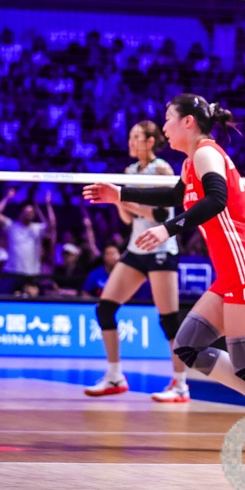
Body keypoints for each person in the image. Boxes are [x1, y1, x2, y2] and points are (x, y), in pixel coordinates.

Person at [84, 95, 245, 446]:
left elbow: (216, 199)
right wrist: (120, 193)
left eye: (168, 118)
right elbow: (176, 197)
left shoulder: (207, 153)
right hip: (232, 273)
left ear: (188, 122)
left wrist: (168, 229)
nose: (164, 127)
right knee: (188, 346)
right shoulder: (191, 162)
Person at [85, 121, 189, 400]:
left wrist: (121, 197)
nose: (131, 142)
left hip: (161, 249)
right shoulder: (130, 171)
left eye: (136, 137)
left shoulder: (162, 169)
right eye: (130, 137)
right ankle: (114, 376)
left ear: (151, 141)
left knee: (169, 320)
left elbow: (161, 215)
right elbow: (128, 219)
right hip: (136, 248)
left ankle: (180, 384)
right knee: (105, 309)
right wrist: (117, 201)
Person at [0, 188, 53, 295]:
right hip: (11, 273)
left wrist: (47, 204)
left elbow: (52, 224)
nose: (29, 214)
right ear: (20, 213)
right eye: (26, 212)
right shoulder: (12, 226)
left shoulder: (37, 228)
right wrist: (7, 198)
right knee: (2, 298)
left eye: (31, 212)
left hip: (31, 275)